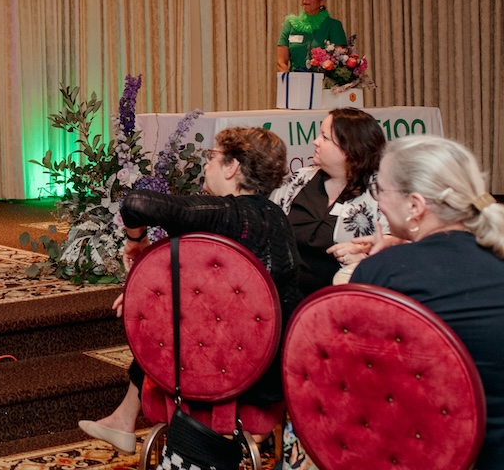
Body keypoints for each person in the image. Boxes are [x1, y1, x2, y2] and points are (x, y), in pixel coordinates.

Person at [79, 127, 302, 453]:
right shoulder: (276, 217)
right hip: (274, 369)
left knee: (167, 325)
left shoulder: (227, 214)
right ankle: (122, 419)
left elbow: (136, 202)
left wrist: (135, 242)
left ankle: (125, 420)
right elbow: (226, 294)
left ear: (232, 167)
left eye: (212, 156)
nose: (206, 164)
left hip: (226, 373)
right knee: (176, 315)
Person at [351, 136, 504, 469]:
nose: (378, 200)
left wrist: (376, 268)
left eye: (380, 190)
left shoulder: (382, 272)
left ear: (415, 205)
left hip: (423, 454)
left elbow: (357, 383)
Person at [270, 108, 385, 295]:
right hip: (287, 296)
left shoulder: (381, 193)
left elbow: (397, 249)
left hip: (344, 299)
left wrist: (365, 259)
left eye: (325, 137)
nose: (315, 141)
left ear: (349, 149)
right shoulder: (299, 180)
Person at [277, 0, 347, 72]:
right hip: (294, 79)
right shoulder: (290, 24)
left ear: (322, 0)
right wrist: (288, 77)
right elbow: (281, 62)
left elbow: (340, 62)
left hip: (324, 80)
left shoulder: (333, 25)